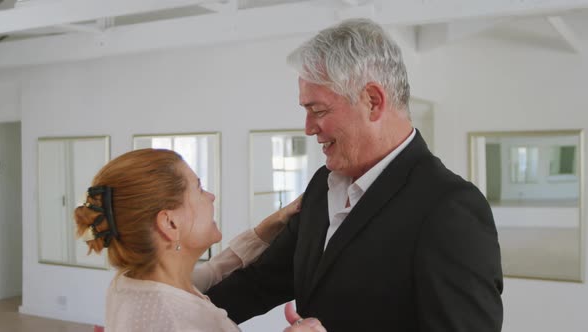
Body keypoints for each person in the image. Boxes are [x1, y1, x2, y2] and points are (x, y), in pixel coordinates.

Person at [206, 18, 503, 331]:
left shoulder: (449, 208)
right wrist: (171, 311)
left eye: (318, 111)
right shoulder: (323, 185)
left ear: (373, 102)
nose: (308, 128)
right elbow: (259, 283)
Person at [74, 148, 326, 332]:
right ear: (170, 223)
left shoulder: (129, 285)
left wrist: (267, 228)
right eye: (199, 188)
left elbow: (213, 271)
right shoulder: (188, 321)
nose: (211, 197)